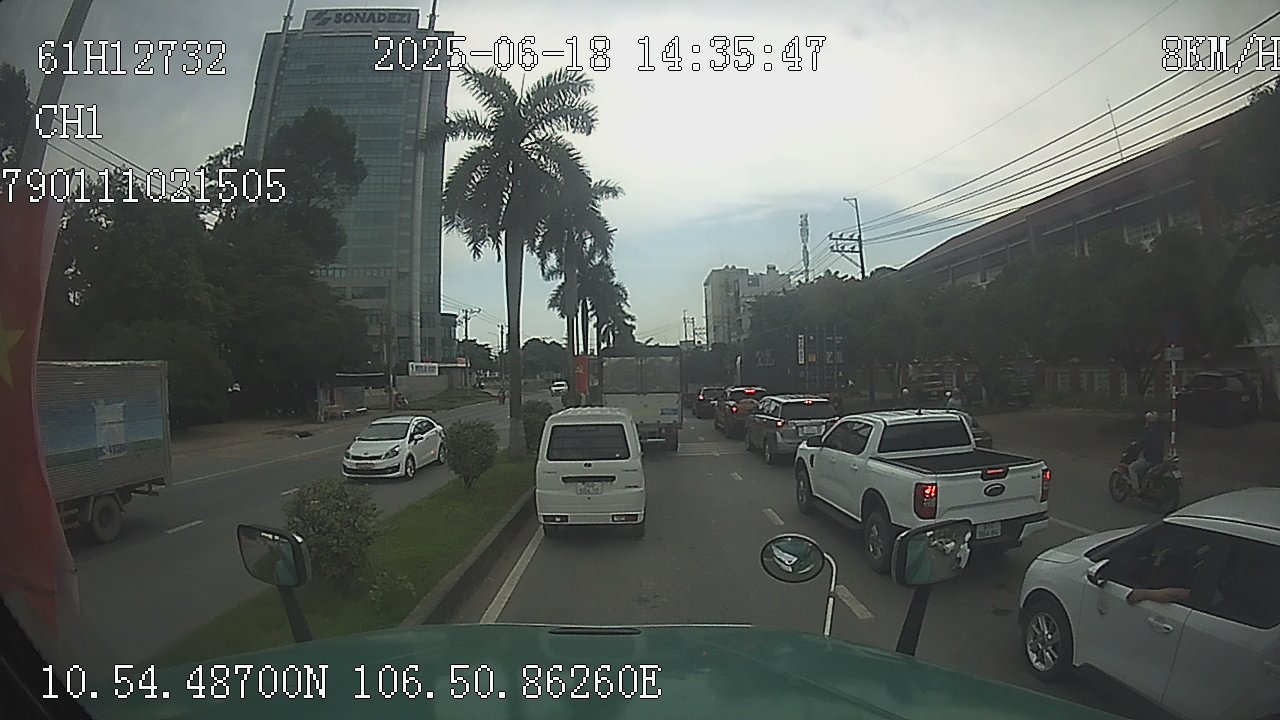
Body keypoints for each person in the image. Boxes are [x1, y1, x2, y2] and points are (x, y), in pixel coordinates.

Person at [1128, 410, 1166, 489]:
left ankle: (1136, 489)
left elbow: (1141, 444)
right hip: (1159, 457)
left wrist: (1135, 446)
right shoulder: (1159, 429)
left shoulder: (1148, 431)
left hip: (1150, 458)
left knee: (1132, 468)